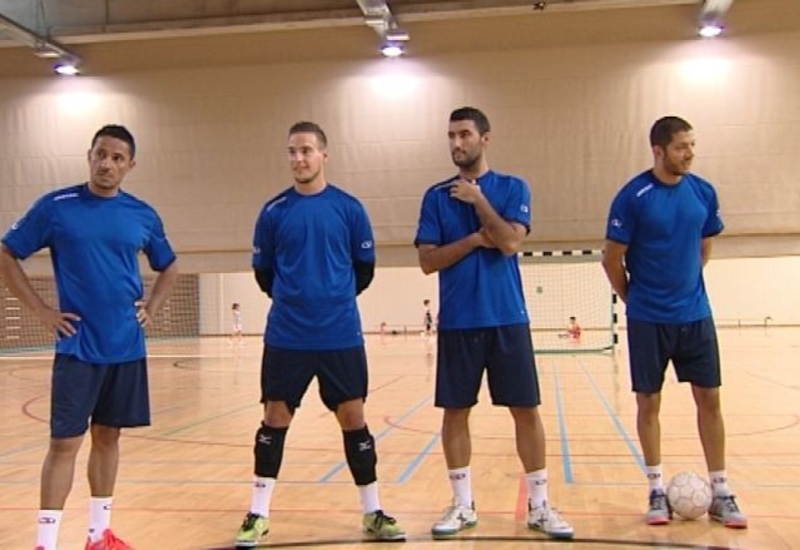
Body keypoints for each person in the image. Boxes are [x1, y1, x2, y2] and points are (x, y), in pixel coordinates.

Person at [0, 125, 179, 550]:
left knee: (109, 437)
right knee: (64, 443)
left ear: (129, 165)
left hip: (126, 348)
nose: (107, 164)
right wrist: (41, 311)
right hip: (78, 347)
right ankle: (46, 542)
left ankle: (99, 535)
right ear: (89, 155)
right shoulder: (56, 207)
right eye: (101, 154)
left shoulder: (142, 214)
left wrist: (151, 307)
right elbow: (6, 253)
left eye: (118, 158)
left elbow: (168, 265)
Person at [234, 121, 405, 547]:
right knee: (275, 418)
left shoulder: (349, 209)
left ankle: (372, 511)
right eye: (292, 151)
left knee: (354, 419)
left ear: (324, 155)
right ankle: (258, 514)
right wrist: (298, 301)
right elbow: (264, 273)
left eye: (306, 151)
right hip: (287, 336)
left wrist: (332, 299)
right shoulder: (273, 212)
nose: (298, 159)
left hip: (340, 335)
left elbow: (363, 271)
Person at [414, 107, 573, 540]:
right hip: (459, 323)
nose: (456, 143)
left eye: (464, 134)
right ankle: (462, 505)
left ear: (484, 139)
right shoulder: (434, 198)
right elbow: (428, 261)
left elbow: (509, 242)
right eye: (450, 135)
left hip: (507, 318)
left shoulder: (512, 187)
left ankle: (540, 505)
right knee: (455, 412)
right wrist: (470, 240)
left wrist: (479, 200)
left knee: (526, 410)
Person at [602, 115, 747, 529]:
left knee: (711, 400)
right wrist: (635, 299)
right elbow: (611, 258)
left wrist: (687, 289)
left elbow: (704, 246)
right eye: (682, 146)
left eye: (692, 145)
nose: (690, 153)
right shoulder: (633, 196)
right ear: (659, 150)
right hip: (648, 320)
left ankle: (721, 490)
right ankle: (655, 489)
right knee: (649, 403)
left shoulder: (703, 192)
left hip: (695, 316)